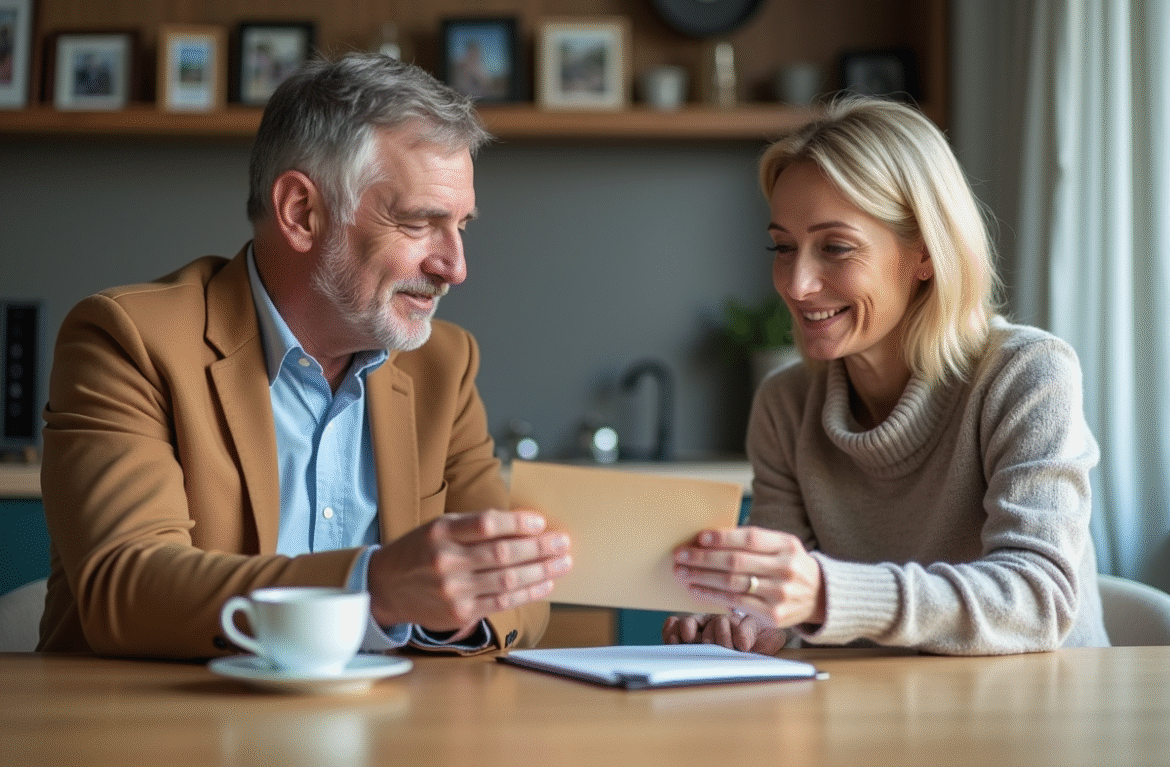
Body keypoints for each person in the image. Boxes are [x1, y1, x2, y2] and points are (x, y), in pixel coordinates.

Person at [38, 53, 572, 658]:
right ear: (301, 213)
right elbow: (126, 589)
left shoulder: (444, 365)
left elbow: (518, 587)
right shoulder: (129, 340)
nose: (455, 267)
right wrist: (374, 588)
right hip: (158, 713)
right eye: (420, 224)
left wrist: (447, 605)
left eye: (461, 226)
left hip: (388, 714)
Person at [664, 96, 1109, 655]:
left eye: (836, 248)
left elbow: (1038, 600)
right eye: (783, 247)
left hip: (1042, 703)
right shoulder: (785, 405)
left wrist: (826, 594)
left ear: (924, 254)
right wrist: (749, 618)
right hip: (876, 704)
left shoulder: (1027, 376)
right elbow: (784, 607)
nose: (797, 285)